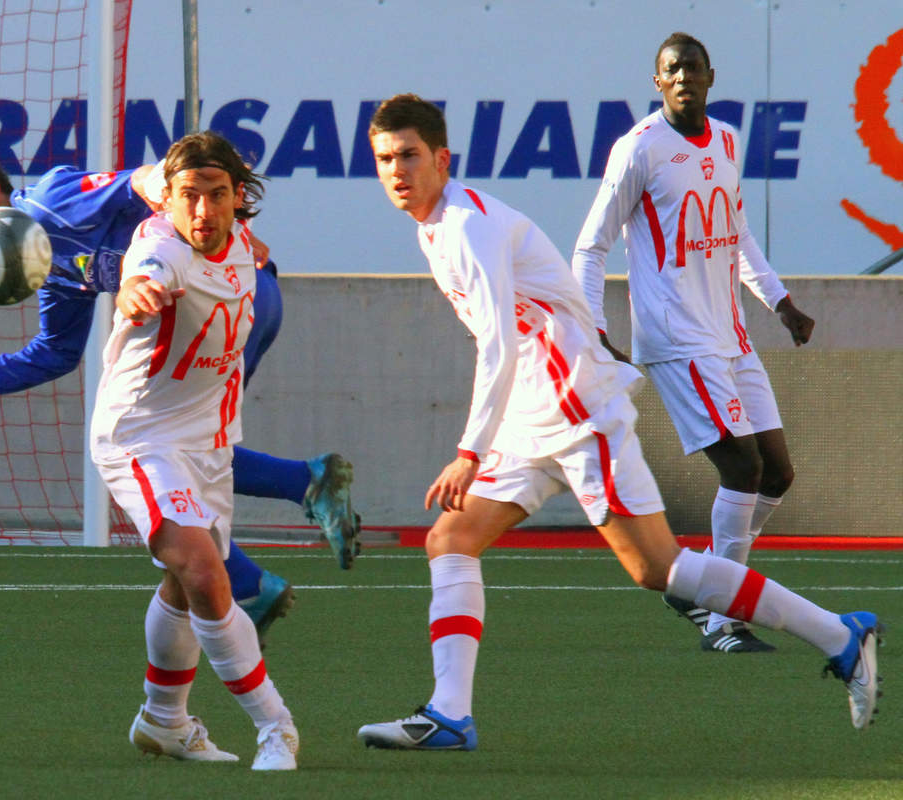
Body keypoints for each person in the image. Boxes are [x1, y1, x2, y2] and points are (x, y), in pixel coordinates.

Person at [355, 93, 880, 750]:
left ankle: (839, 633)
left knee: (658, 567)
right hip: (531, 412)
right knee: (450, 540)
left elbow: (499, 345)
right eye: (384, 158)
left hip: (576, 409)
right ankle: (450, 714)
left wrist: (468, 450)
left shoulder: (467, 226)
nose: (396, 170)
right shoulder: (435, 224)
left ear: (441, 158)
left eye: (409, 155)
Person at [0, 154, 363, 640]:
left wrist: (222, 229)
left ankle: (263, 561)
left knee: (148, 445)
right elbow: (55, 354)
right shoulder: (53, 265)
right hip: (232, 308)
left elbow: (140, 180)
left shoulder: (49, 200)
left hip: (226, 299)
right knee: (182, 448)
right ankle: (289, 513)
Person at [571, 32, 815, 653]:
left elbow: (738, 235)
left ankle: (700, 582)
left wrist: (779, 301)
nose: (683, 76)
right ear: (658, 83)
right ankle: (722, 616)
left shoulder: (728, 141)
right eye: (670, 69)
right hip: (677, 337)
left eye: (692, 67)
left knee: (778, 474)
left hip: (729, 333)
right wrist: (594, 330)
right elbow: (590, 246)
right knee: (741, 466)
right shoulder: (638, 150)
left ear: (711, 76)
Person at [92, 131, 297, 768]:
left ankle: (163, 722)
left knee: (182, 586)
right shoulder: (159, 249)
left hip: (209, 444)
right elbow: (143, 275)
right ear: (169, 203)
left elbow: (171, 185)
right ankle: (276, 725)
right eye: (189, 197)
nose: (202, 212)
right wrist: (134, 291)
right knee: (207, 575)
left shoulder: (241, 246)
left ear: (240, 197)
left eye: (216, 196)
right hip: (140, 438)